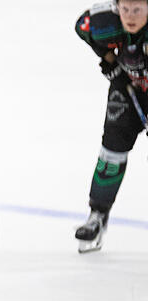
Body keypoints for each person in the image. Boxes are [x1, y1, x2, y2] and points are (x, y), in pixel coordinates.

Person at [74, 0, 148, 253]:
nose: (130, 16)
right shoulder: (107, 20)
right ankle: (97, 214)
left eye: (137, 9)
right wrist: (110, 63)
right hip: (127, 91)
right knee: (111, 153)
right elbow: (82, 26)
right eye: (125, 9)